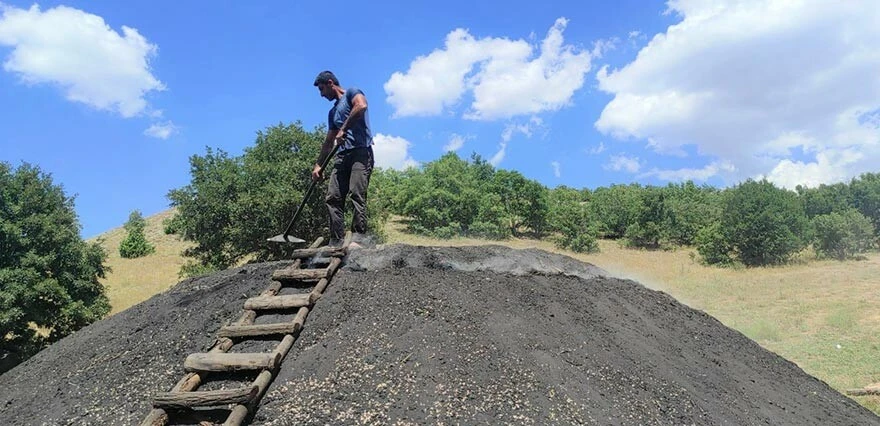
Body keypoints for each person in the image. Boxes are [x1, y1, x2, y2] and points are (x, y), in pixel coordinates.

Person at [311, 70, 374, 248]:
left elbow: (361, 106)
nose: (322, 95)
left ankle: (359, 239)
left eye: (322, 89)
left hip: (361, 153)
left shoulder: (352, 93)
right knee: (333, 197)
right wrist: (318, 165)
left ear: (331, 83)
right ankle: (336, 242)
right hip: (341, 157)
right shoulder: (332, 113)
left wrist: (344, 129)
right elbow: (329, 141)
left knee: (356, 193)